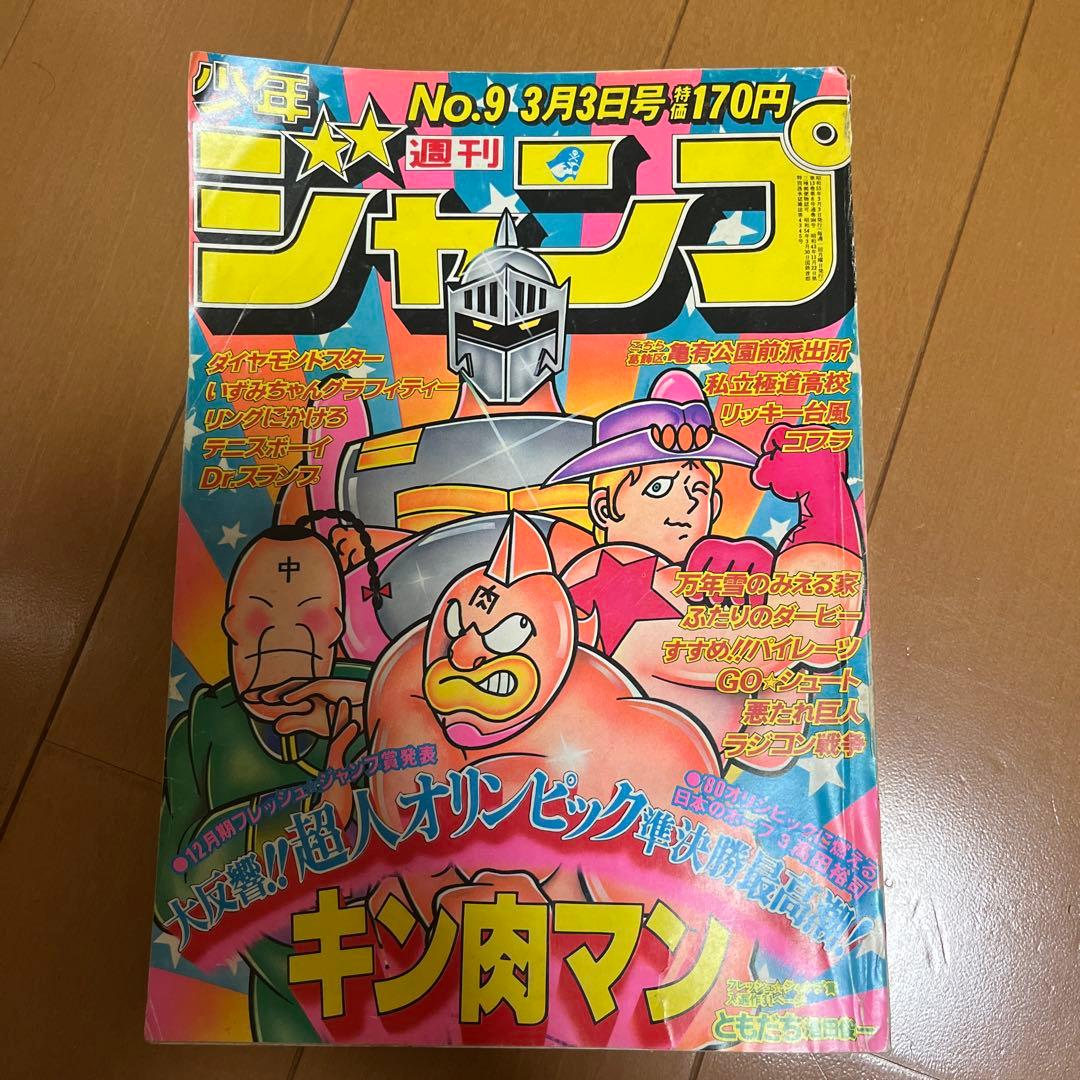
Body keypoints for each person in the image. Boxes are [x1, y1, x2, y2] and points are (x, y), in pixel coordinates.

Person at [547, 368, 866, 771]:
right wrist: (823, 506)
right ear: (604, 508)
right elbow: (808, 628)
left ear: (714, 508)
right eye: (658, 489)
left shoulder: (695, 594)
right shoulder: (607, 574)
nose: (684, 506)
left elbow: (768, 749)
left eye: (697, 490)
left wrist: (757, 604)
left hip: (666, 800)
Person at [154, 520, 370, 1041]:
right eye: (256, 623)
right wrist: (312, 816)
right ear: (231, 627)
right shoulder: (204, 729)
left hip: (412, 971)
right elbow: (173, 896)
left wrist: (377, 710)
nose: (282, 647)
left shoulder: (385, 697)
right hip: (284, 1010)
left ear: (335, 630)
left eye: (310, 623)